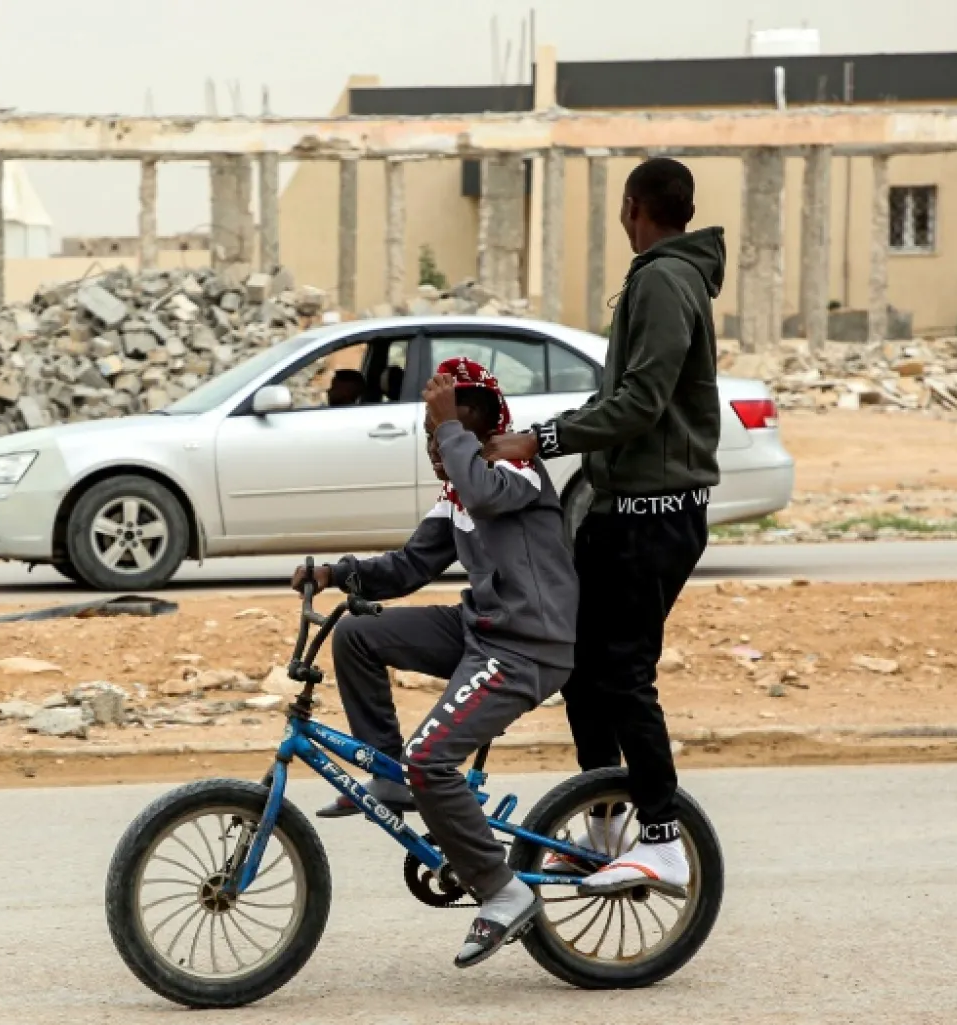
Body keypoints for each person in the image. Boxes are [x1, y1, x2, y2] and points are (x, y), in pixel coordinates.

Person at [484, 157, 723, 896]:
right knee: (581, 670)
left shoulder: (661, 278)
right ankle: (606, 826)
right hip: (629, 513)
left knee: (620, 674)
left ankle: (659, 838)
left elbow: (642, 403)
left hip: (651, 519)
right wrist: (549, 434)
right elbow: (621, 395)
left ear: (633, 207)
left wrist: (541, 440)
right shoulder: (669, 276)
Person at [291, 357, 578, 968]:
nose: (436, 445)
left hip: (527, 645)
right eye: (429, 436)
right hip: (482, 630)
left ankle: (501, 890)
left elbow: (478, 487)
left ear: (487, 428)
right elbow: (406, 568)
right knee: (358, 637)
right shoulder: (459, 496)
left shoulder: (516, 469)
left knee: (433, 758)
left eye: (449, 430)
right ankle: (391, 778)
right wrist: (334, 573)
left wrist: (450, 425)